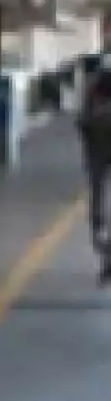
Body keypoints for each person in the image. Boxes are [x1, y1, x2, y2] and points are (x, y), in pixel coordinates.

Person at [77, 62, 111, 279]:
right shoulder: (93, 89)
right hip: (97, 150)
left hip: (96, 152)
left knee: (97, 196)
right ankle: (104, 249)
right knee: (97, 198)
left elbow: (82, 122)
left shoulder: (93, 88)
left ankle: (102, 245)